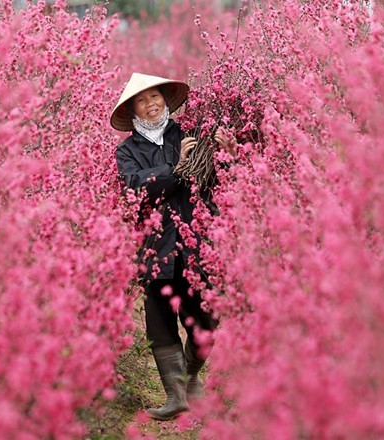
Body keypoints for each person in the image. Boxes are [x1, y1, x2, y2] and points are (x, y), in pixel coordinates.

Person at [111, 73, 232, 421]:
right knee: (161, 324)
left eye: (156, 97)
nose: (151, 105)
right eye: (142, 100)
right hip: (155, 246)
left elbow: (214, 179)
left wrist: (226, 153)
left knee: (205, 319)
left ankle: (193, 377)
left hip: (198, 243)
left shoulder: (189, 135)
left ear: (165, 99)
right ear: (133, 109)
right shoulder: (128, 151)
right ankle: (176, 396)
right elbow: (134, 187)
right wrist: (174, 169)